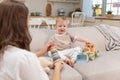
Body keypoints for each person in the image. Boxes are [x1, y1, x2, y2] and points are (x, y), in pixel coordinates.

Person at [0, 1, 64, 80]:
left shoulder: (5, 52)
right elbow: (23, 59)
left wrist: (41, 52)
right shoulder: (25, 58)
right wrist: (57, 68)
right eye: (28, 21)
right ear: (20, 25)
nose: (29, 25)